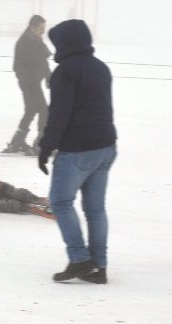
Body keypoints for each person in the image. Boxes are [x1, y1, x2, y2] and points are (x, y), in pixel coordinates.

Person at [38, 20, 116, 285]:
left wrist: (46, 146)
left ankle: (80, 259)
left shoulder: (66, 71)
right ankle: (99, 265)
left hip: (78, 149)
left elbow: (59, 114)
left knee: (60, 201)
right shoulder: (100, 68)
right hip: (106, 146)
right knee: (95, 209)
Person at [4, 15, 51, 155]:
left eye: (44, 28)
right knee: (43, 110)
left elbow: (43, 62)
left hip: (35, 82)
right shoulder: (24, 42)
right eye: (41, 28)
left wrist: (49, 77)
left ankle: (17, 141)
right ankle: (40, 143)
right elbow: (17, 66)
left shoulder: (36, 40)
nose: (43, 31)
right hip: (29, 83)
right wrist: (27, 82)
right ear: (33, 27)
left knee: (31, 110)